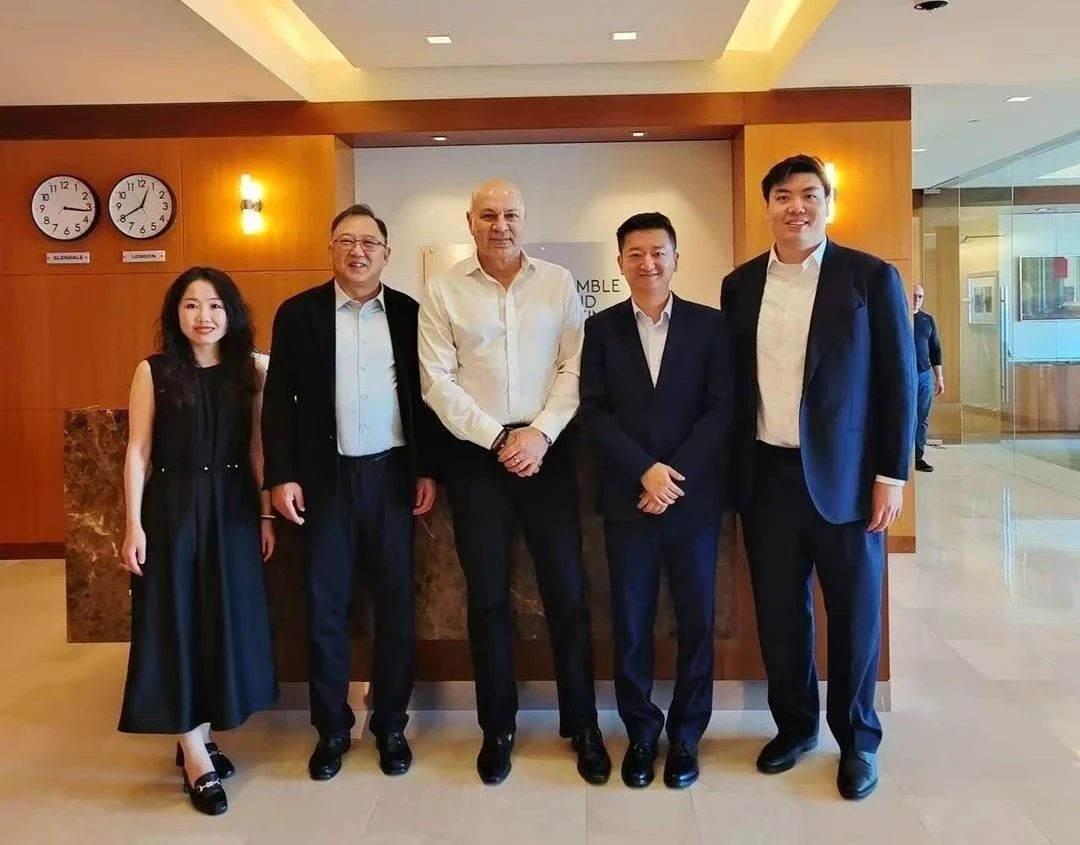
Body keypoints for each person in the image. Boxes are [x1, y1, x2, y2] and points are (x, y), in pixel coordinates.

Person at [720, 154, 916, 801]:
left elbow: (898, 383)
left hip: (850, 479)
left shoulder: (870, 277)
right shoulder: (740, 285)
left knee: (855, 614)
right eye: (783, 195)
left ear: (827, 204)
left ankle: (857, 740)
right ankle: (796, 725)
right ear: (767, 207)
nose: (796, 206)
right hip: (767, 475)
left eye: (809, 194)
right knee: (781, 614)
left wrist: (892, 474)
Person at [418, 178, 610, 786]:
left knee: (567, 593)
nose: (499, 225)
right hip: (476, 459)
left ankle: (582, 723)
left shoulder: (557, 283)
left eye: (510, 215)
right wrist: (498, 439)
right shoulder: (442, 289)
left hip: (548, 453)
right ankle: (497, 727)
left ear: (525, 220)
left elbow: (575, 367)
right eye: (488, 215)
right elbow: (436, 382)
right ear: (469, 221)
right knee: (488, 598)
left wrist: (540, 434)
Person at [261, 204, 440, 782]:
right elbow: (277, 401)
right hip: (325, 481)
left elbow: (427, 398)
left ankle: (390, 724)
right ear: (331, 249)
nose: (357, 251)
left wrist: (426, 469)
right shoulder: (299, 314)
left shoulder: (410, 313)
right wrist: (280, 475)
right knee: (325, 607)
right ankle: (331, 728)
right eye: (346, 241)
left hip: (391, 478)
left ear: (387, 253)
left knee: (395, 607)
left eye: (368, 242)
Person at [580, 212, 732, 789]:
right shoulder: (600, 329)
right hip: (628, 501)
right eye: (635, 253)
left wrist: (673, 477)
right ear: (620, 262)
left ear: (675, 258)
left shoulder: (710, 326)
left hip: (692, 502)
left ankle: (687, 735)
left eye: (658, 252)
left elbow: (721, 409)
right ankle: (641, 733)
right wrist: (645, 472)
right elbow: (594, 410)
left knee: (696, 622)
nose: (648, 263)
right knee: (632, 623)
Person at [119, 266, 278, 817]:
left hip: (232, 510)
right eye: (191, 305)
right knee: (176, 623)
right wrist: (133, 524)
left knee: (217, 622)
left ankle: (199, 735)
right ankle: (194, 755)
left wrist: (264, 514)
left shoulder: (249, 371)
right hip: (173, 509)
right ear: (176, 314)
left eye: (214, 305)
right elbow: (138, 451)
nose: (203, 316)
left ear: (231, 314)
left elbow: (258, 450)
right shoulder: (154, 371)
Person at [913, 283, 944, 472]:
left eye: (920, 296)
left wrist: (939, 377)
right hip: (904, 376)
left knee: (922, 415)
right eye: (914, 295)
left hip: (923, 375)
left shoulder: (927, 320)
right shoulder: (900, 317)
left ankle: (918, 456)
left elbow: (935, 349)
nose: (916, 299)